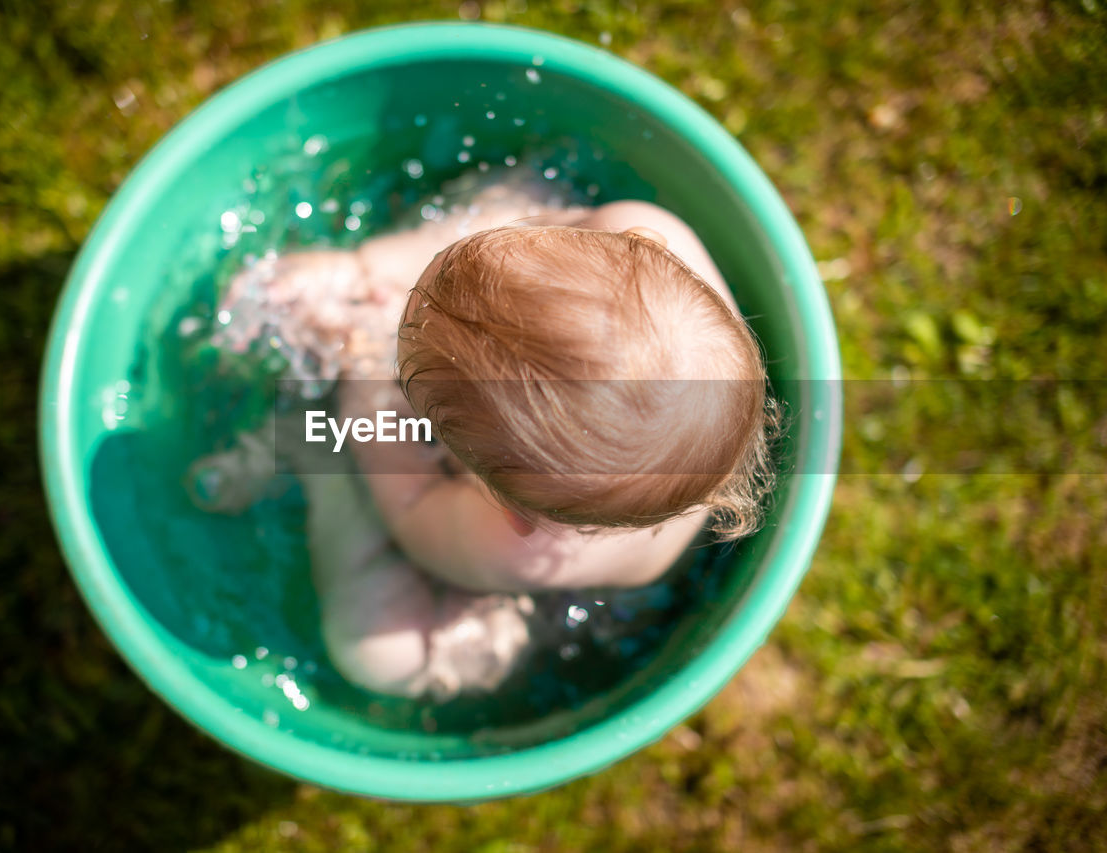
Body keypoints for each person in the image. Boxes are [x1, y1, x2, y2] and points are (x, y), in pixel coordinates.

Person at [193, 176, 778, 701]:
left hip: (541, 591)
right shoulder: (638, 234)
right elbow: (514, 226)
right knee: (525, 194)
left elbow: (415, 506)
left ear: (512, 508)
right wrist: (368, 267)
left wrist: (360, 372)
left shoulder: (517, 549)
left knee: (381, 654)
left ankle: (312, 454)